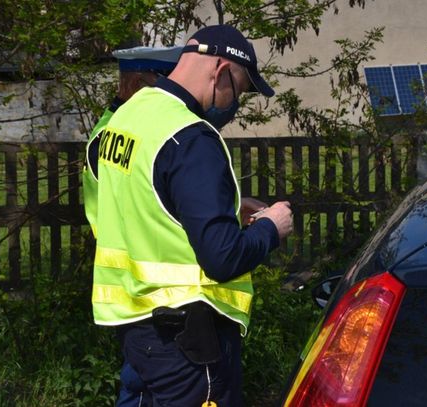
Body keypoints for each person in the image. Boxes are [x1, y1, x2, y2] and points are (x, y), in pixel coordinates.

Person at [91, 24, 293, 407]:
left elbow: (151, 202)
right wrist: (271, 227)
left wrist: (228, 207)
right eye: (239, 89)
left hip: (136, 325)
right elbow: (222, 257)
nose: (235, 104)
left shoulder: (129, 116)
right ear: (220, 71)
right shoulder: (191, 136)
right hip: (189, 340)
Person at [82, 45, 183, 407]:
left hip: (130, 285)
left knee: (138, 388)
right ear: (141, 84)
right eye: (165, 82)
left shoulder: (109, 130)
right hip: (149, 287)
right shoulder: (138, 133)